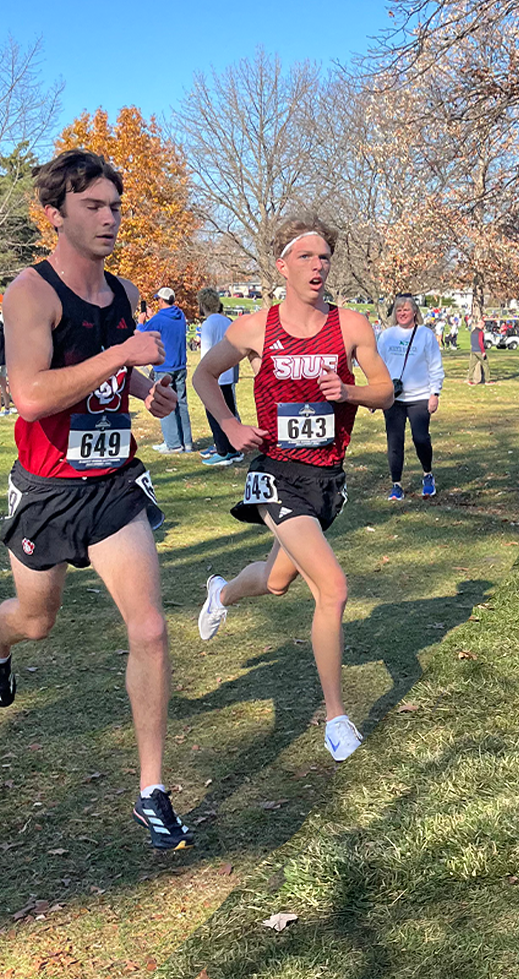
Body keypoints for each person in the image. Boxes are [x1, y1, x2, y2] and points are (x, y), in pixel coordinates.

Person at [0, 150, 192, 850]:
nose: (109, 219)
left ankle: (152, 789)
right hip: (47, 489)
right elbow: (33, 394)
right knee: (36, 623)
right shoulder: (30, 293)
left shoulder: (124, 293)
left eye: (115, 206)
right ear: (56, 215)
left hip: (111, 487)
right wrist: (120, 359)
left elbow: (116, 380)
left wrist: (147, 393)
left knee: (152, 628)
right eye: (93, 207)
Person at [192, 215, 395, 763]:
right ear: (282, 265)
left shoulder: (350, 326)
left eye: (325, 256)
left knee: (278, 582)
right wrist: (232, 428)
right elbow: (203, 376)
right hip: (275, 472)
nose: (318, 265)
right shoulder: (253, 328)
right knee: (332, 587)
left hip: (326, 477)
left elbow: (385, 392)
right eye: (306, 256)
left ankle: (222, 592)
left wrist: (350, 391)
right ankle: (337, 718)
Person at [377, 292, 444, 500]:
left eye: (406, 310)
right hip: (393, 398)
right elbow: (377, 367)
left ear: (414, 312)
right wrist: (376, 393)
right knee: (394, 442)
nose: (402, 313)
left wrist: (435, 393)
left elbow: (435, 365)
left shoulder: (425, 335)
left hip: (420, 396)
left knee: (420, 438)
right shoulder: (387, 336)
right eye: (399, 310)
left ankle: (427, 474)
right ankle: (396, 484)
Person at [140, 288, 193, 453]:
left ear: (161, 301)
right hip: (180, 365)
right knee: (181, 404)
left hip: (164, 367)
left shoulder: (159, 319)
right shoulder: (180, 316)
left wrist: (142, 321)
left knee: (164, 403)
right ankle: (187, 442)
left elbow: (142, 334)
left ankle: (173, 443)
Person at [196, 289, 243, 466]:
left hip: (214, 376)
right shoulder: (227, 321)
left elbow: (206, 352)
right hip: (228, 373)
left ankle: (224, 450)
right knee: (230, 410)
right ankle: (232, 447)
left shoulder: (209, 324)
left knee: (215, 413)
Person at [468, 317, 488, 385]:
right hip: (479, 350)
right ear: (481, 324)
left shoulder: (473, 332)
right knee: (485, 364)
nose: (483, 326)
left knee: (471, 366)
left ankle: (470, 379)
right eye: (483, 325)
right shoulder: (480, 332)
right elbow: (480, 342)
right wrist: (483, 351)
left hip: (473, 350)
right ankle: (487, 380)